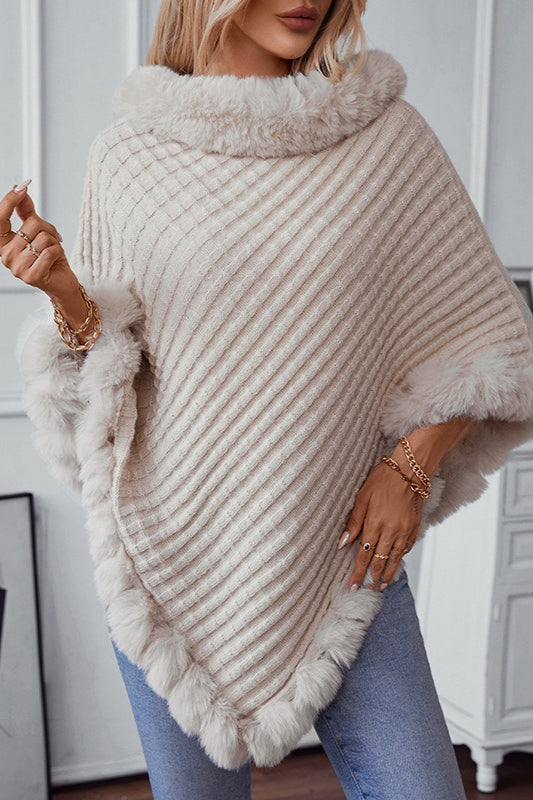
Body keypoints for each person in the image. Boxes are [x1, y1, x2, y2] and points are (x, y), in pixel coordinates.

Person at [4, 1, 533, 798]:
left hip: (345, 557)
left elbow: (491, 339)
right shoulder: (130, 152)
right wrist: (64, 292)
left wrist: (411, 465)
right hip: (166, 561)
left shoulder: (384, 136)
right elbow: (108, 385)